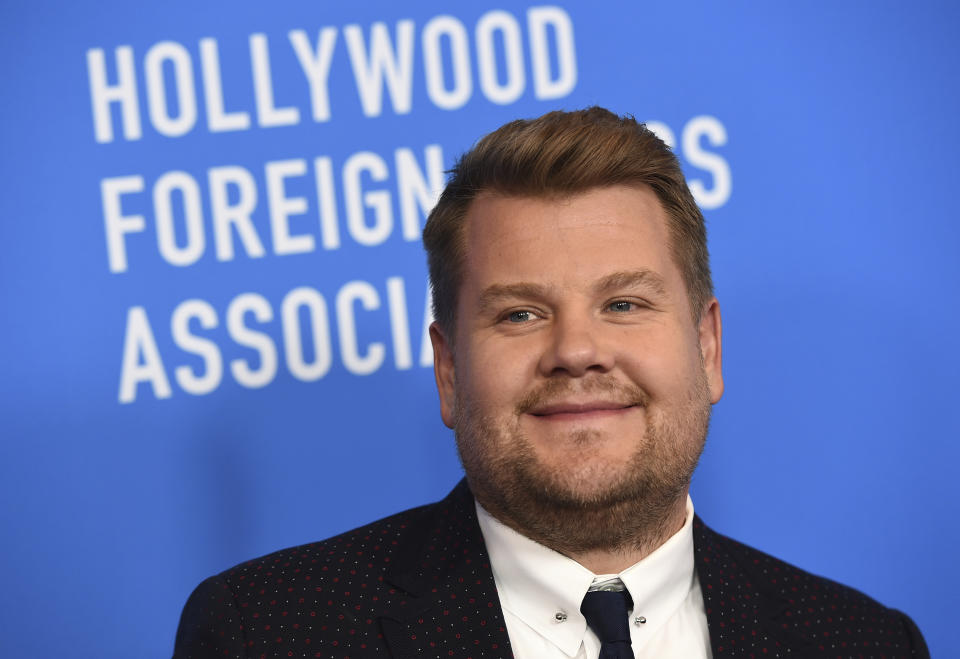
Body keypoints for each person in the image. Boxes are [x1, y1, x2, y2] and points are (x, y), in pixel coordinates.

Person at [173, 107, 929, 658]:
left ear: (708, 347)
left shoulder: (864, 641)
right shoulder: (266, 633)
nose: (576, 350)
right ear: (447, 370)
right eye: (521, 313)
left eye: (624, 303)